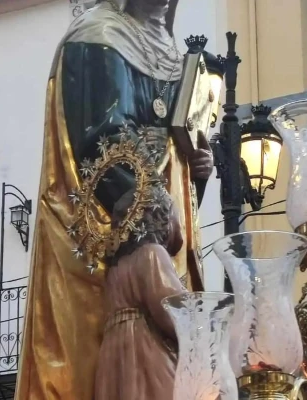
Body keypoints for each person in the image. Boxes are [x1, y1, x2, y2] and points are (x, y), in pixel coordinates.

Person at [15, 0, 214, 398]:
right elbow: (100, 141)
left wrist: (195, 169)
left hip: (159, 228)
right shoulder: (99, 35)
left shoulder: (180, 59)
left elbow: (175, 162)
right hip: (119, 237)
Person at [95, 188, 187, 400]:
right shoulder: (152, 253)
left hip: (114, 353)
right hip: (145, 345)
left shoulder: (115, 269)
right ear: (161, 216)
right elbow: (169, 306)